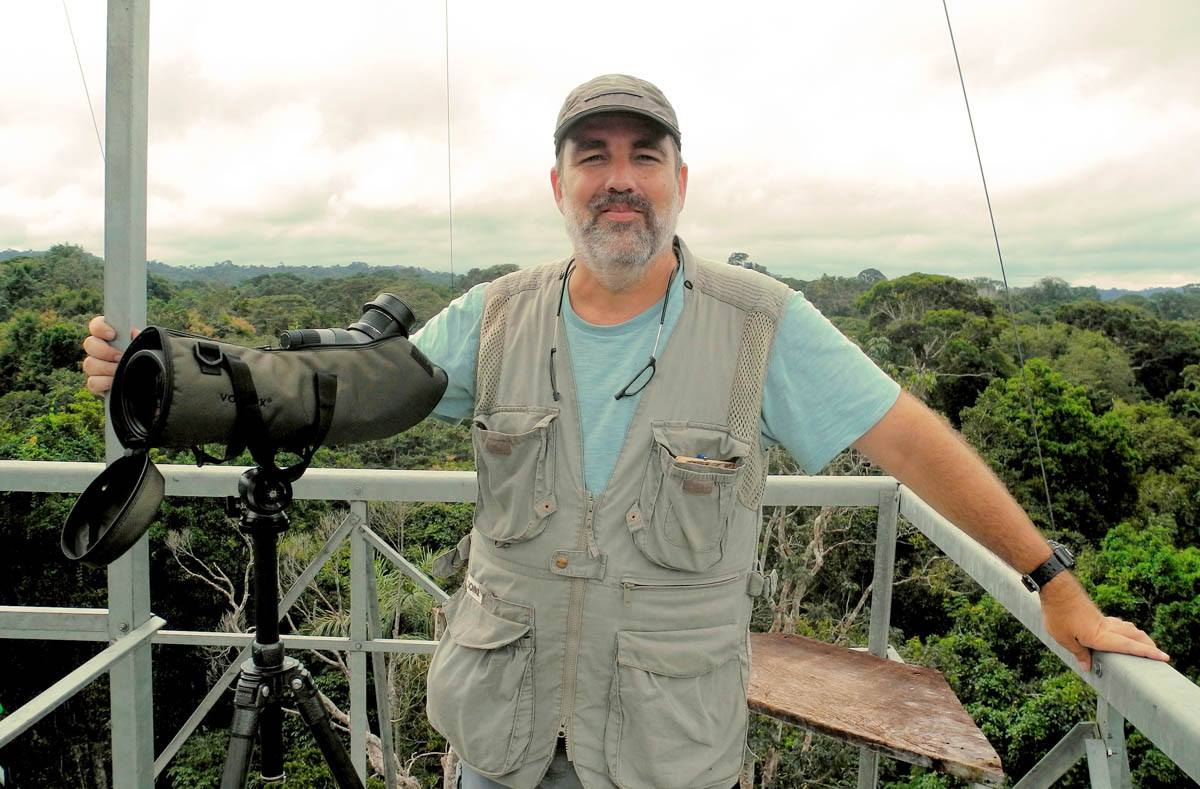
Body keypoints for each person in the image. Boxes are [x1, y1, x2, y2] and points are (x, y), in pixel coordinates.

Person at [82, 74, 1168, 789]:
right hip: (502, 740)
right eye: (593, 156)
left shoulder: (759, 323)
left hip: (665, 751)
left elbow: (913, 441)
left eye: (644, 156)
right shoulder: (495, 314)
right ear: (557, 184)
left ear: (680, 183)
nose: (619, 180)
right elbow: (347, 385)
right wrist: (166, 374)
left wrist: (1053, 583)